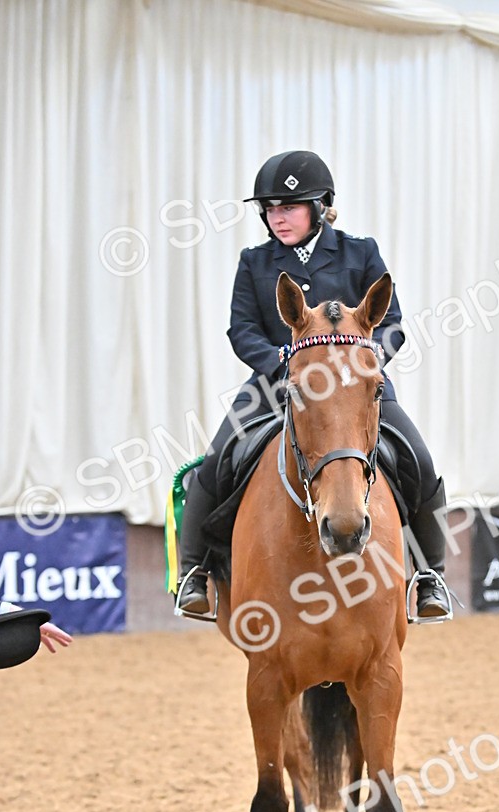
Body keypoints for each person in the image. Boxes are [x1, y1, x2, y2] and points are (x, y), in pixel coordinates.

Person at [175, 149, 451, 620]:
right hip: (276, 384)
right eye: (270, 210)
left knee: (419, 461)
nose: (277, 218)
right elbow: (243, 329)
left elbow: (392, 324)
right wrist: (280, 364)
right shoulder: (254, 261)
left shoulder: (359, 252)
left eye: (289, 208)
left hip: (356, 387)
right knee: (215, 464)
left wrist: (363, 365)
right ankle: (194, 574)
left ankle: (430, 576)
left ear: (320, 207)